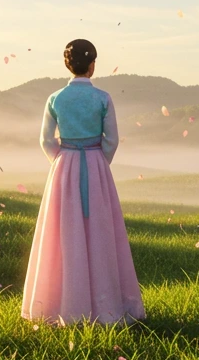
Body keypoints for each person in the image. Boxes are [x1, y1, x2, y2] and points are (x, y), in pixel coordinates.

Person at [20, 39, 146, 325]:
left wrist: (61, 160)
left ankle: (58, 304)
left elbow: (45, 140)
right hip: (94, 162)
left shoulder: (55, 98)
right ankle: (106, 304)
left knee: (63, 231)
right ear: (92, 65)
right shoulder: (102, 98)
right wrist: (99, 160)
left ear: (68, 64)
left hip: (64, 165)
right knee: (100, 232)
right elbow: (111, 139)